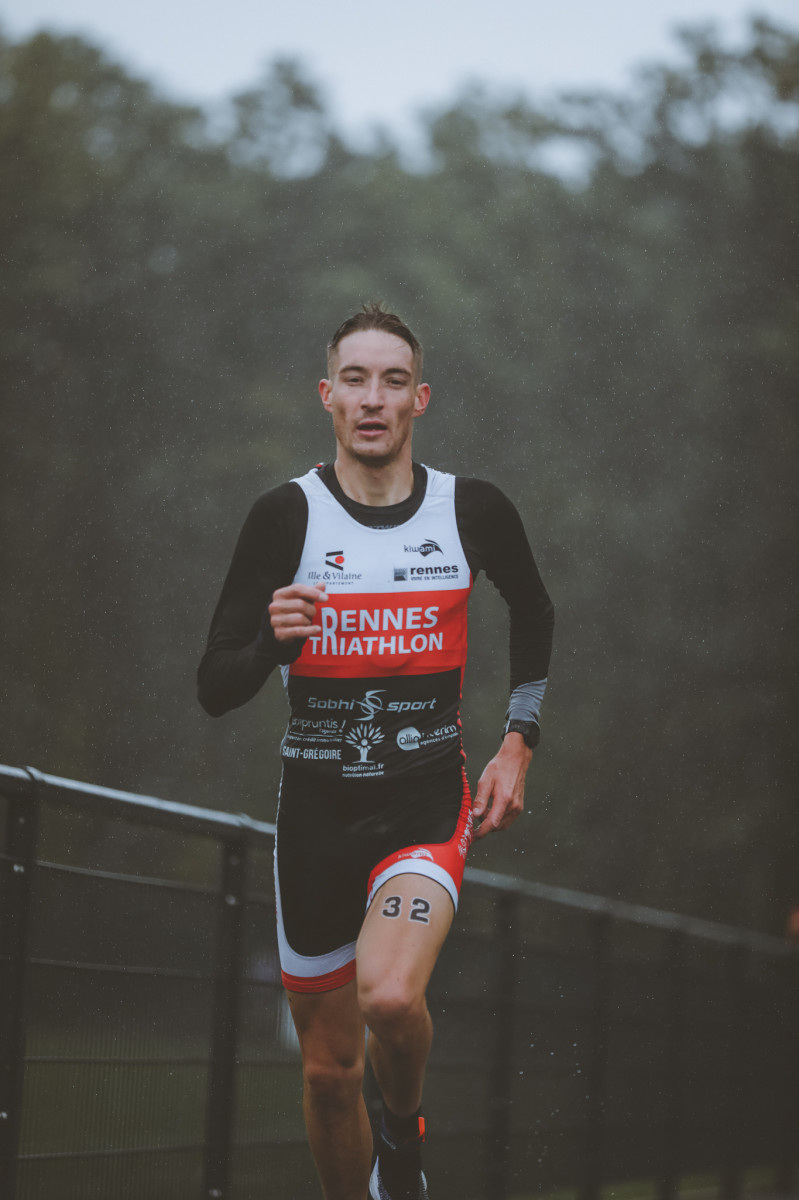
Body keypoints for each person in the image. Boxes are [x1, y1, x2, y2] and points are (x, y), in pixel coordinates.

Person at [197, 304, 554, 1200]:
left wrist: (518, 741)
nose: (371, 399)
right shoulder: (285, 515)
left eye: (392, 381)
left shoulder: (469, 508)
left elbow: (533, 609)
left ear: (418, 399)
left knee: (390, 997)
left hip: (422, 801)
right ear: (326, 396)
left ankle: (402, 1135)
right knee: (327, 1073)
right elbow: (214, 684)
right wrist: (273, 643)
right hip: (316, 819)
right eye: (354, 380)